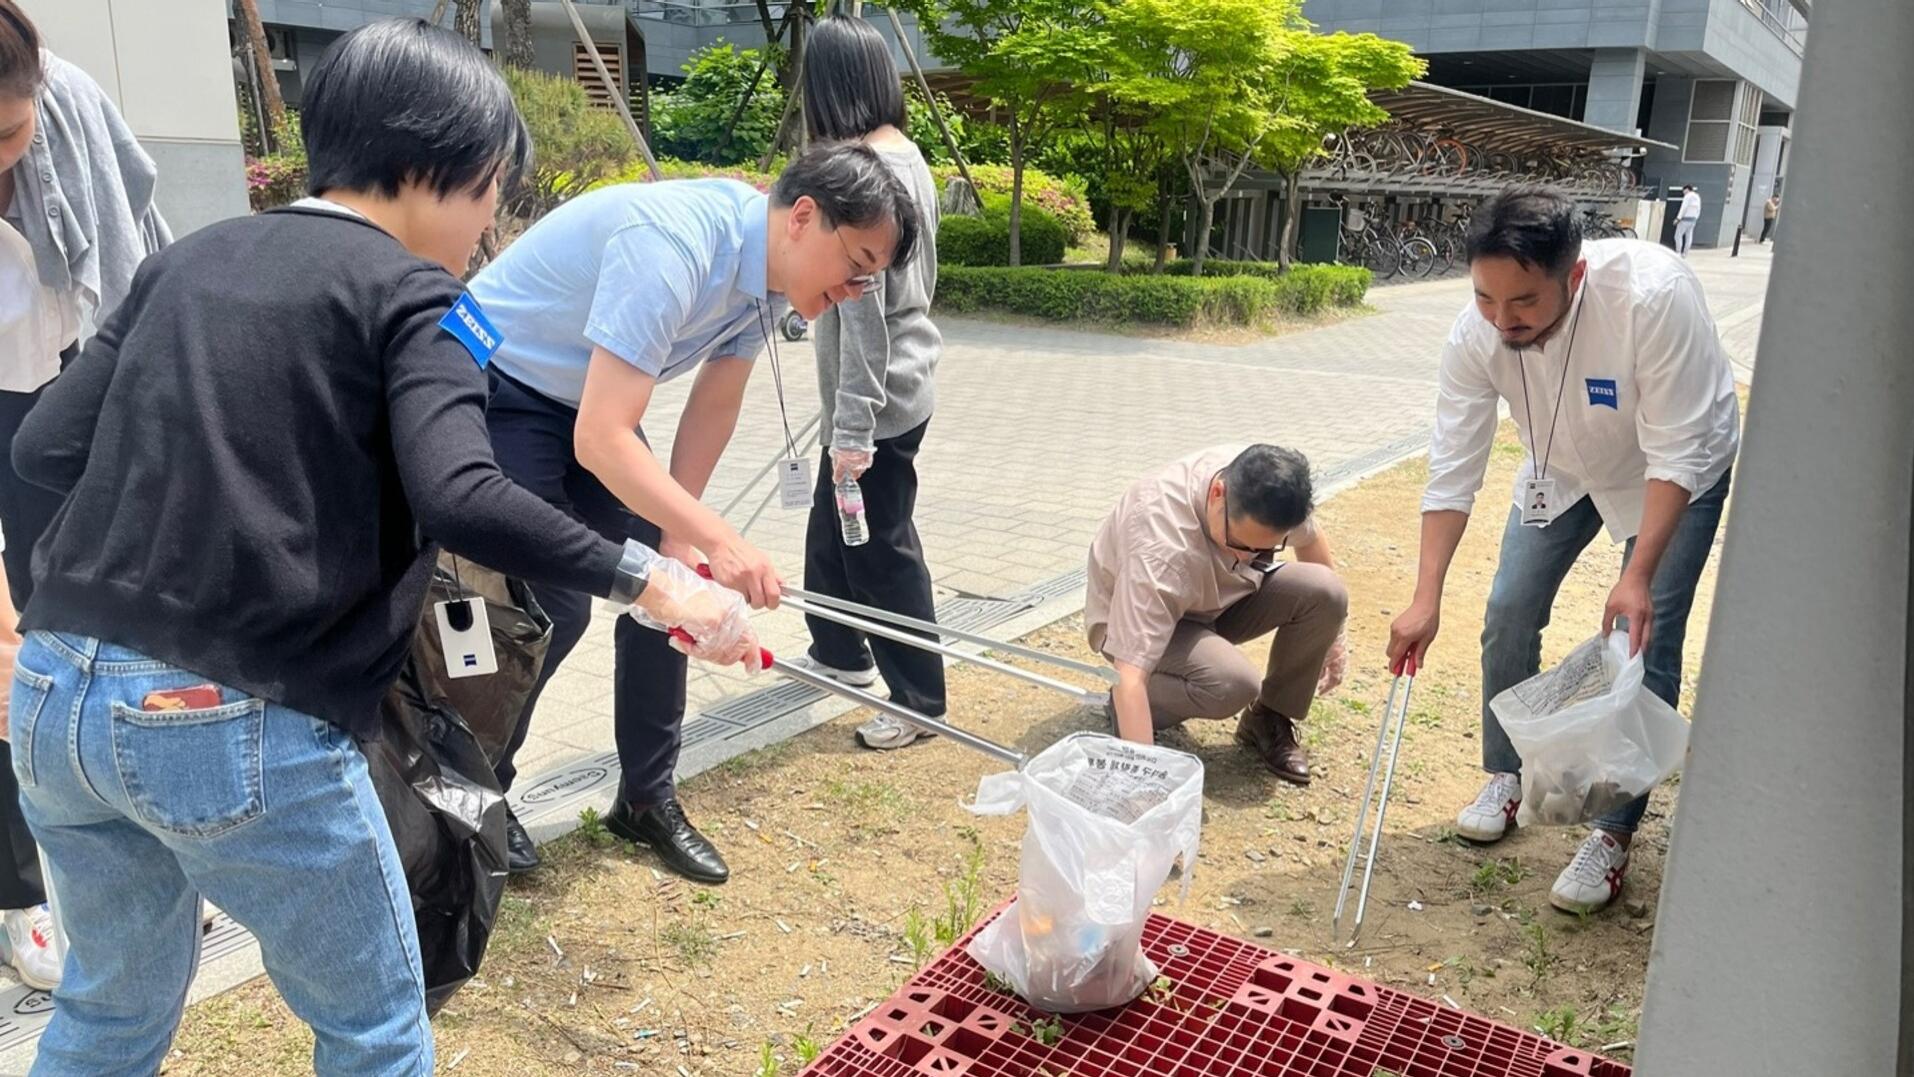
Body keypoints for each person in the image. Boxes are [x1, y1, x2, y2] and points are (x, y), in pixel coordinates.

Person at [6, 20, 759, 1073]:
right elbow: (462, 492)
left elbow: (42, 449)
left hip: (51, 704)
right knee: (374, 1028)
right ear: (444, 169)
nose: (490, 226)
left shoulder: (190, 256)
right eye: (494, 191)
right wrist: (656, 581)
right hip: (228, 715)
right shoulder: (422, 299)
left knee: (109, 1016)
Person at [472, 141, 920, 883]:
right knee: (549, 602)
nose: (854, 291)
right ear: (804, 217)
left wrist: (684, 541)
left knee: (680, 587)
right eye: (858, 264)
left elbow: (716, 403)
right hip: (501, 382)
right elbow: (603, 437)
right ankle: (478, 794)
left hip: (581, 399)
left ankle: (645, 799)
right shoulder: (674, 241)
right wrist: (724, 540)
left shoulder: (767, 276)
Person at [1386, 187, 1738, 915]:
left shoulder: (1652, 298)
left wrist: (1638, 574)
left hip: (1673, 468)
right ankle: (1506, 772)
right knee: (1508, 608)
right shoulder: (1475, 333)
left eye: (1523, 302)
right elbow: (1454, 464)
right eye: (1486, 297)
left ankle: (1611, 830)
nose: (1503, 320)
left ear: (1573, 278)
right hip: (1562, 468)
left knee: (1646, 634)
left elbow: (1676, 448)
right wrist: (1426, 595)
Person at [0, 0, 169, 991]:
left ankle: (142, 866)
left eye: (8, 131)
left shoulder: (76, 107)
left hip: (82, 384)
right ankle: (18, 895)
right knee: (14, 656)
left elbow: (137, 244)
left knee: (116, 625)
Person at [787, 15, 947, 750]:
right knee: (834, 523)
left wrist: (852, 428)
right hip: (898, 380)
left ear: (825, 85)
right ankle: (840, 650)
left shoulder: (860, 171)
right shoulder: (905, 153)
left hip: (876, 393)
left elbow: (867, 315)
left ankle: (919, 698)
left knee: (878, 542)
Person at [1086, 444, 1349, 784]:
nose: (1247, 555)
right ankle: (1139, 706)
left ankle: (1268, 719)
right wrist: (1143, 784)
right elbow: (1130, 675)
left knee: (1326, 592)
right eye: (1239, 542)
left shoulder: (1270, 489)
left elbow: (1310, 539)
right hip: (1142, 623)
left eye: (1265, 548)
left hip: (1218, 598)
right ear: (1217, 493)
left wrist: (1335, 638)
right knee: (1232, 683)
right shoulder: (1158, 546)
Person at [1673, 184, 1701, 256]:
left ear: (1687, 189)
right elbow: (1699, 209)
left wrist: (1678, 218)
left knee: (1678, 235)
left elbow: (1684, 207)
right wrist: (1696, 218)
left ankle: (1678, 252)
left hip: (1685, 219)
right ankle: (1685, 253)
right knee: (1689, 236)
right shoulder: (1697, 197)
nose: (1683, 193)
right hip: (1693, 220)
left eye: (1684, 191)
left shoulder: (1687, 196)